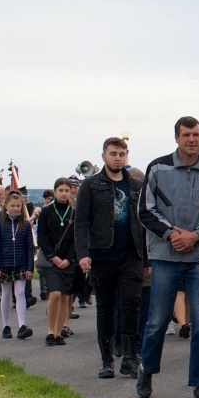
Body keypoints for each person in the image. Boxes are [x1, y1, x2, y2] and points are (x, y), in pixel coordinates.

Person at [137, 116, 199, 398]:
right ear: (176, 137)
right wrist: (173, 234)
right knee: (157, 321)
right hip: (165, 256)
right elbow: (146, 211)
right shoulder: (158, 167)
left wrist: (196, 236)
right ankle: (147, 368)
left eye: (196, 134)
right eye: (186, 135)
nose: (192, 140)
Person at [75, 138, 146, 380]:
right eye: (113, 153)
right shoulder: (91, 185)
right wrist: (83, 254)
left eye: (122, 153)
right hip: (102, 255)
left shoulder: (136, 185)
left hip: (131, 256)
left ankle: (129, 357)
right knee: (105, 308)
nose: (118, 157)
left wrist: (146, 259)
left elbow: (144, 223)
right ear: (104, 156)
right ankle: (107, 361)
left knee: (131, 306)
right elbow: (81, 221)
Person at [0, 190, 36, 340]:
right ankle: (6, 326)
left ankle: (22, 326)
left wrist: (30, 268)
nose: (15, 208)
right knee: (6, 294)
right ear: (6, 205)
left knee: (21, 293)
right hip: (4, 264)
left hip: (21, 264)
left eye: (18, 206)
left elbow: (30, 247)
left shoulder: (26, 224)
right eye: (13, 205)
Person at [37, 178, 79, 346]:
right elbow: (42, 237)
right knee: (54, 294)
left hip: (68, 261)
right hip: (51, 261)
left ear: (71, 192)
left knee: (64, 297)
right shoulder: (46, 212)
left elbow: (77, 238)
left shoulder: (74, 213)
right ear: (55, 192)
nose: (63, 193)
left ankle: (59, 331)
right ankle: (50, 331)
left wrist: (69, 259)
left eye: (66, 190)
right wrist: (53, 257)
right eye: (60, 190)